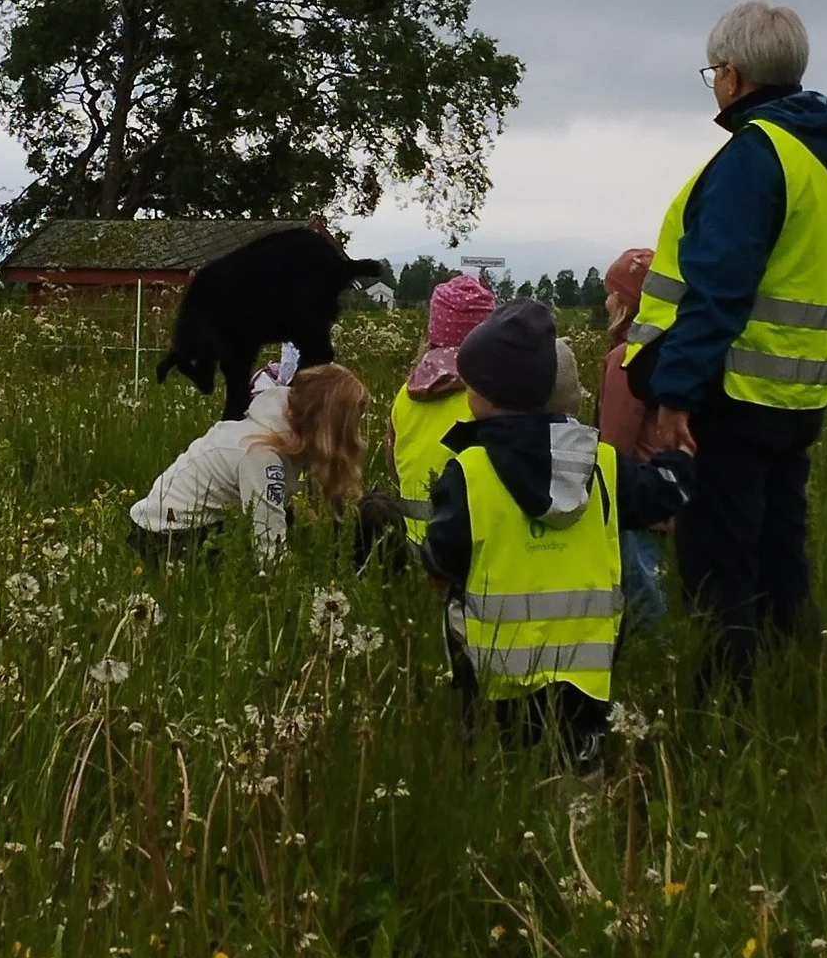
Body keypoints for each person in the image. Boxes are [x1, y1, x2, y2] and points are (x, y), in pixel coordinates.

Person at [623, 0, 827, 698]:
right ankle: (799, 685)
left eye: (713, 73)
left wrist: (675, 395)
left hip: (731, 397)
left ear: (731, 74)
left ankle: (721, 711)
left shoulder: (754, 158)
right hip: (796, 396)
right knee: (780, 555)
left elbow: (719, 290)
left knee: (718, 565)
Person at [421, 300, 692, 768]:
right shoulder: (604, 465)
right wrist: (677, 460)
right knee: (578, 765)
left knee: (502, 774)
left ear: (484, 395)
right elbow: (665, 495)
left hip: (497, 675)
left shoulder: (468, 472)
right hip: (587, 675)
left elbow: (442, 558)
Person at [129, 363, 369, 560]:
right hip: (168, 541)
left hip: (163, 527)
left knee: (285, 517)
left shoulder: (269, 429)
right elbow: (269, 549)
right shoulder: (262, 456)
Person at [387, 273, 496, 543]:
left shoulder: (406, 393)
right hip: (469, 543)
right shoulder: (487, 396)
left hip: (414, 540)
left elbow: (393, 465)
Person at [596, 247, 668, 626]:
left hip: (638, 499)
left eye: (612, 291)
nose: (606, 300)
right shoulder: (676, 350)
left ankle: (653, 672)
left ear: (626, 301)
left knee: (646, 606)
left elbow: (614, 443)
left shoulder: (627, 357)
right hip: (677, 493)